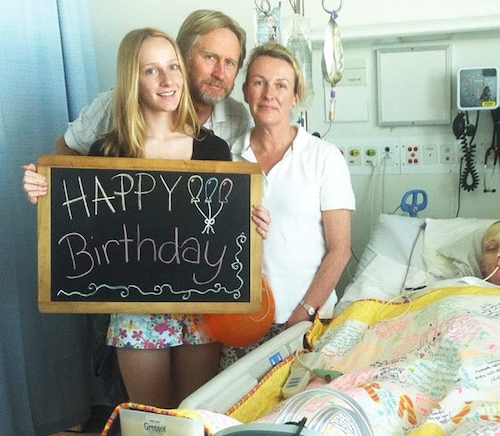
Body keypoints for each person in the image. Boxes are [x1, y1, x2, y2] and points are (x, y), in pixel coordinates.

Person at [23, 28, 267, 408]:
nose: (168, 80)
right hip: (136, 309)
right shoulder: (108, 152)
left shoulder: (212, 149)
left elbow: (222, 225)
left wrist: (253, 224)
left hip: (199, 305)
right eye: (152, 71)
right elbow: (82, 229)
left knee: (191, 419)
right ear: (131, 80)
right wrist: (45, 196)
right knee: (152, 422)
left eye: (172, 67)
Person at [222, 41, 354, 368]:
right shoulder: (226, 158)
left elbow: (341, 250)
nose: (269, 93)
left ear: (295, 97)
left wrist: (303, 315)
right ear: (245, 91)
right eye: (259, 82)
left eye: (281, 85)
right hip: (242, 318)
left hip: (308, 317)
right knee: (236, 410)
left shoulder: (324, 158)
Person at [55, 9, 250, 156]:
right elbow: (68, 148)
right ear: (183, 57)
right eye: (210, 57)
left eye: (230, 63)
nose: (220, 73)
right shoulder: (114, 105)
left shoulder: (236, 120)